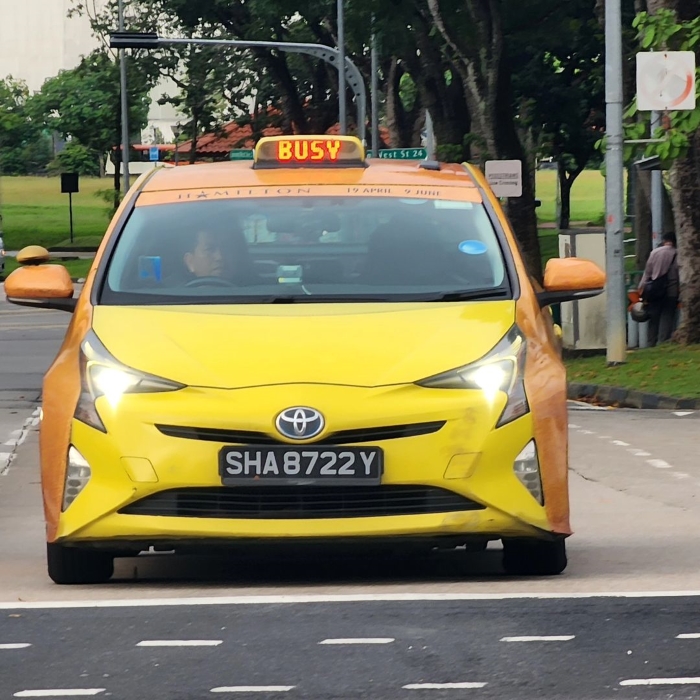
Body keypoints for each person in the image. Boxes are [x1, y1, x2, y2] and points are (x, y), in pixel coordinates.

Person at [638, 232, 679, 346]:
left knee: (653, 316)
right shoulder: (677, 253)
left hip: (654, 290)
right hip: (671, 290)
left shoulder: (654, 252)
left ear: (664, 240)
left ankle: (651, 342)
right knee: (667, 316)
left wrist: (641, 288)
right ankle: (663, 341)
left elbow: (648, 272)